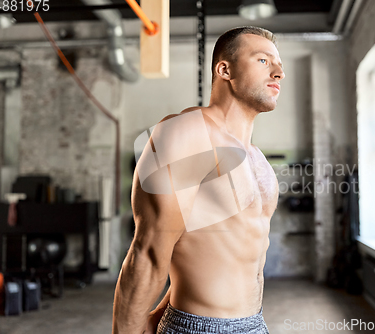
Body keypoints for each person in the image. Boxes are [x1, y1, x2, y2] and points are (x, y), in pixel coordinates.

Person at [112, 26, 286, 334]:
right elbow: (148, 254)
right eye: (263, 61)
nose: (278, 73)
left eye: (279, 65)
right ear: (224, 69)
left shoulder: (258, 160)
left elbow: (204, 251)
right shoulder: (187, 134)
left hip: (255, 324)